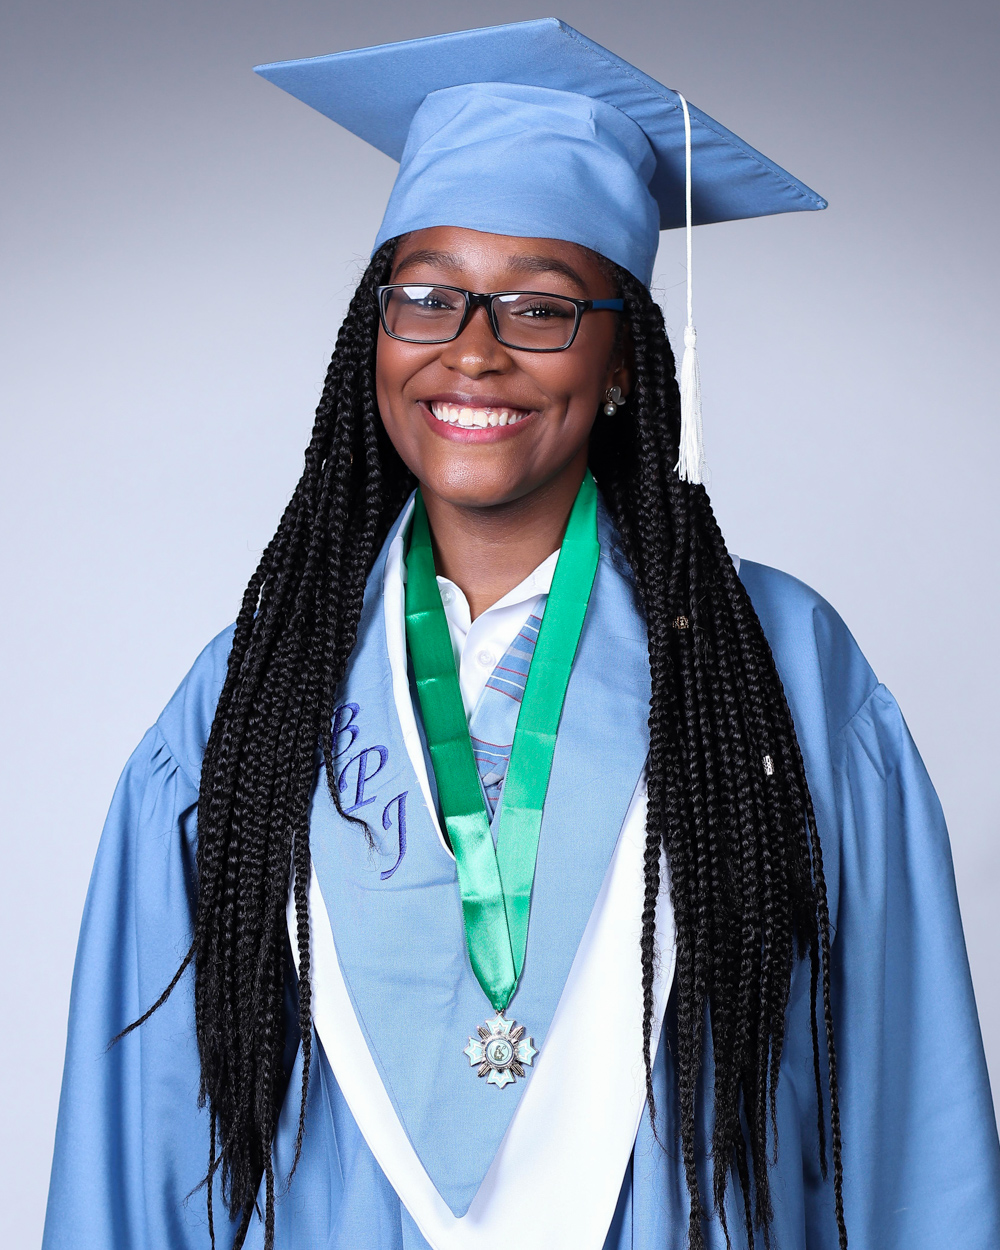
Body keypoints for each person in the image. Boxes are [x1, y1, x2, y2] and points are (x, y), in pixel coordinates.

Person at [42, 18, 1000, 1250]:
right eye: (426, 296)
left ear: (622, 361)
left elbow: (904, 1105)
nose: (472, 351)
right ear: (374, 334)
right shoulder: (258, 684)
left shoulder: (777, 668)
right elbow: (143, 1143)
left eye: (540, 309)